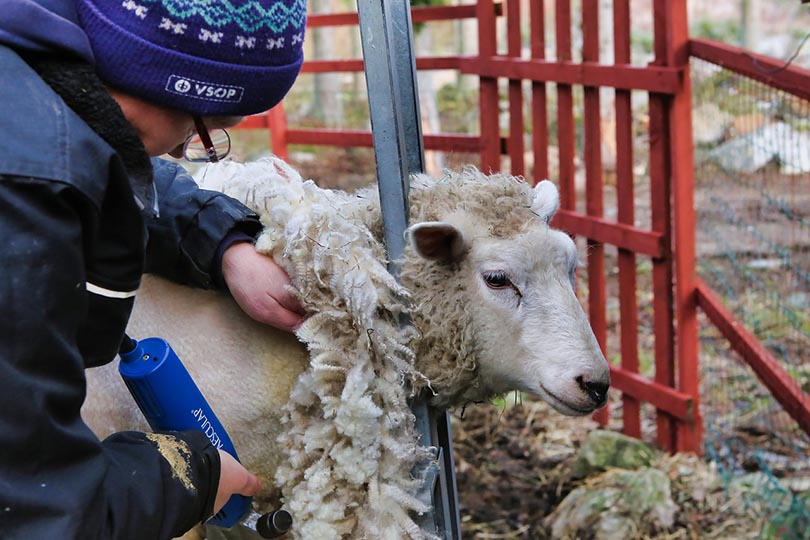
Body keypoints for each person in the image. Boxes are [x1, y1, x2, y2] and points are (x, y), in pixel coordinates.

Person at [0, 0, 307, 538]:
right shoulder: (23, 194)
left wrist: (223, 245)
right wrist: (188, 476)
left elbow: (109, 165)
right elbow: (32, 506)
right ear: (149, 70)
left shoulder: (36, 90)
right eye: (204, 127)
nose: (183, 150)